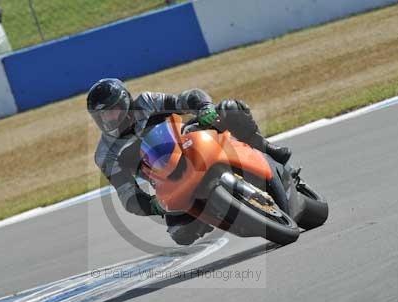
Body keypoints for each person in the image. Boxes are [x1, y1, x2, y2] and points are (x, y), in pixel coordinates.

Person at [87, 78, 292, 245]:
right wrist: (152, 206)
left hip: (190, 141)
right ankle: (214, 215)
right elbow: (126, 194)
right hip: (168, 180)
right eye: (101, 116)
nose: (108, 120)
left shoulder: (147, 102)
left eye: (111, 112)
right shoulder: (105, 154)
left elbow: (185, 99)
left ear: (125, 103)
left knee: (230, 108)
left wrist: (204, 108)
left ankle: (265, 147)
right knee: (180, 233)